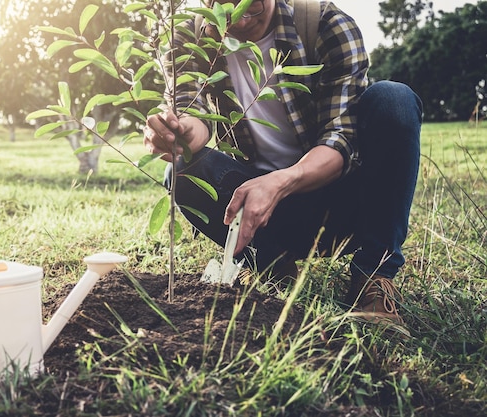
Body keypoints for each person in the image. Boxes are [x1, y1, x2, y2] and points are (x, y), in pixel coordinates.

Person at [142, 0, 423, 326]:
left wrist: (281, 181)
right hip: (259, 213)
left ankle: (373, 278)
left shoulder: (325, 24)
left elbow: (339, 141)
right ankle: (273, 267)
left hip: (342, 204)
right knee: (180, 171)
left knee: (394, 100)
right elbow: (194, 111)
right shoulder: (188, 37)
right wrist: (182, 135)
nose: (238, 12)